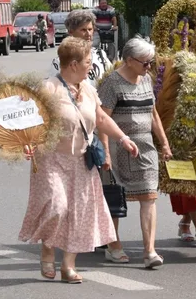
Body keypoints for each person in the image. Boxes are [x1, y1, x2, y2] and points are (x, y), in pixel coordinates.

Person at [19, 37, 140, 283]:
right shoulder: (48, 89)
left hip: (81, 160)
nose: (91, 66)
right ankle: (48, 248)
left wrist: (123, 138)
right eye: (87, 62)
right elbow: (27, 120)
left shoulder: (88, 89)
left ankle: (68, 265)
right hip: (51, 159)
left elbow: (102, 119)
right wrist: (27, 142)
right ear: (73, 64)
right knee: (57, 207)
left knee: (78, 214)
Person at [97, 37, 173, 269]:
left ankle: (149, 251)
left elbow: (153, 113)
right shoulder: (112, 83)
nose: (148, 67)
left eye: (150, 62)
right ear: (129, 60)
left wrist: (164, 142)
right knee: (116, 198)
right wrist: (106, 153)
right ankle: (113, 245)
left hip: (146, 147)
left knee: (150, 196)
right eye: (145, 62)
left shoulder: (146, 79)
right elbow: (102, 119)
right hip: (119, 148)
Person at [49, 9, 113, 86]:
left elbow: (112, 81)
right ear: (71, 32)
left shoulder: (100, 55)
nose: (88, 34)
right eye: (83, 30)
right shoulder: (61, 61)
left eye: (90, 29)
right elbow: (55, 90)